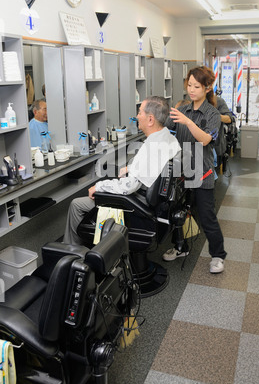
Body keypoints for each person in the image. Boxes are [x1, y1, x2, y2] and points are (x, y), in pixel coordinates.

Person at [63, 96, 181, 245]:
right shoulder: (168, 138)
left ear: (150, 119)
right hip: (155, 201)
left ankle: (72, 253)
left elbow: (128, 187)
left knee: (76, 204)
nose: (137, 116)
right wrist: (132, 168)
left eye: (140, 113)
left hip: (137, 202)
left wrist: (99, 186)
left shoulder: (152, 147)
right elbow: (155, 165)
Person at [164, 66, 227, 274]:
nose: (191, 89)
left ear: (207, 88)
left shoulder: (213, 114)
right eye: (189, 85)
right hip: (181, 172)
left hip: (202, 173)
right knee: (179, 213)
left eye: (196, 86)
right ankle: (180, 247)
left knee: (207, 216)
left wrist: (189, 122)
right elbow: (166, 133)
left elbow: (206, 139)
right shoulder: (181, 110)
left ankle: (218, 256)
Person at [214, 94, 234, 173]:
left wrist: (215, 116)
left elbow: (229, 119)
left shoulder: (218, 101)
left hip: (215, 144)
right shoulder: (193, 101)